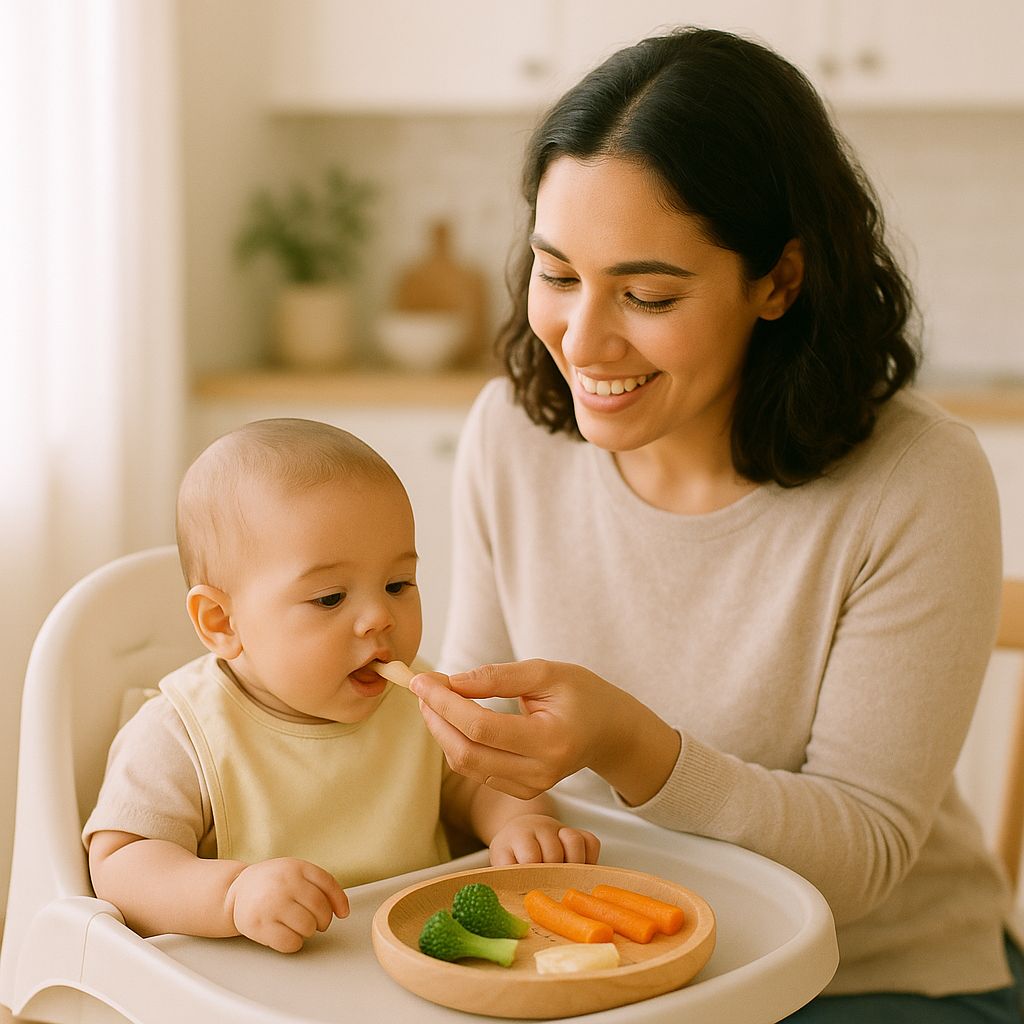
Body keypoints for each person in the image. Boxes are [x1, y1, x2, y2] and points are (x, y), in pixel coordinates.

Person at [407, 26, 1024, 1021]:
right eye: (556, 274)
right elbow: (483, 758)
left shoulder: (915, 478)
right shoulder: (511, 434)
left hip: (871, 973)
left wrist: (631, 743)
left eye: (647, 293)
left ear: (777, 281)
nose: (582, 337)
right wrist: (495, 788)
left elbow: (863, 857)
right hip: (605, 961)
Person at [84, 418, 599, 954]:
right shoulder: (181, 733)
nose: (379, 617)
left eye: (398, 584)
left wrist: (521, 824)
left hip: (415, 958)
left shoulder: (413, 700)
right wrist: (232, 895)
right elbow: (121, 863)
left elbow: (472, 782)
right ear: (221, 622)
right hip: (259, 987)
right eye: (330, 598)